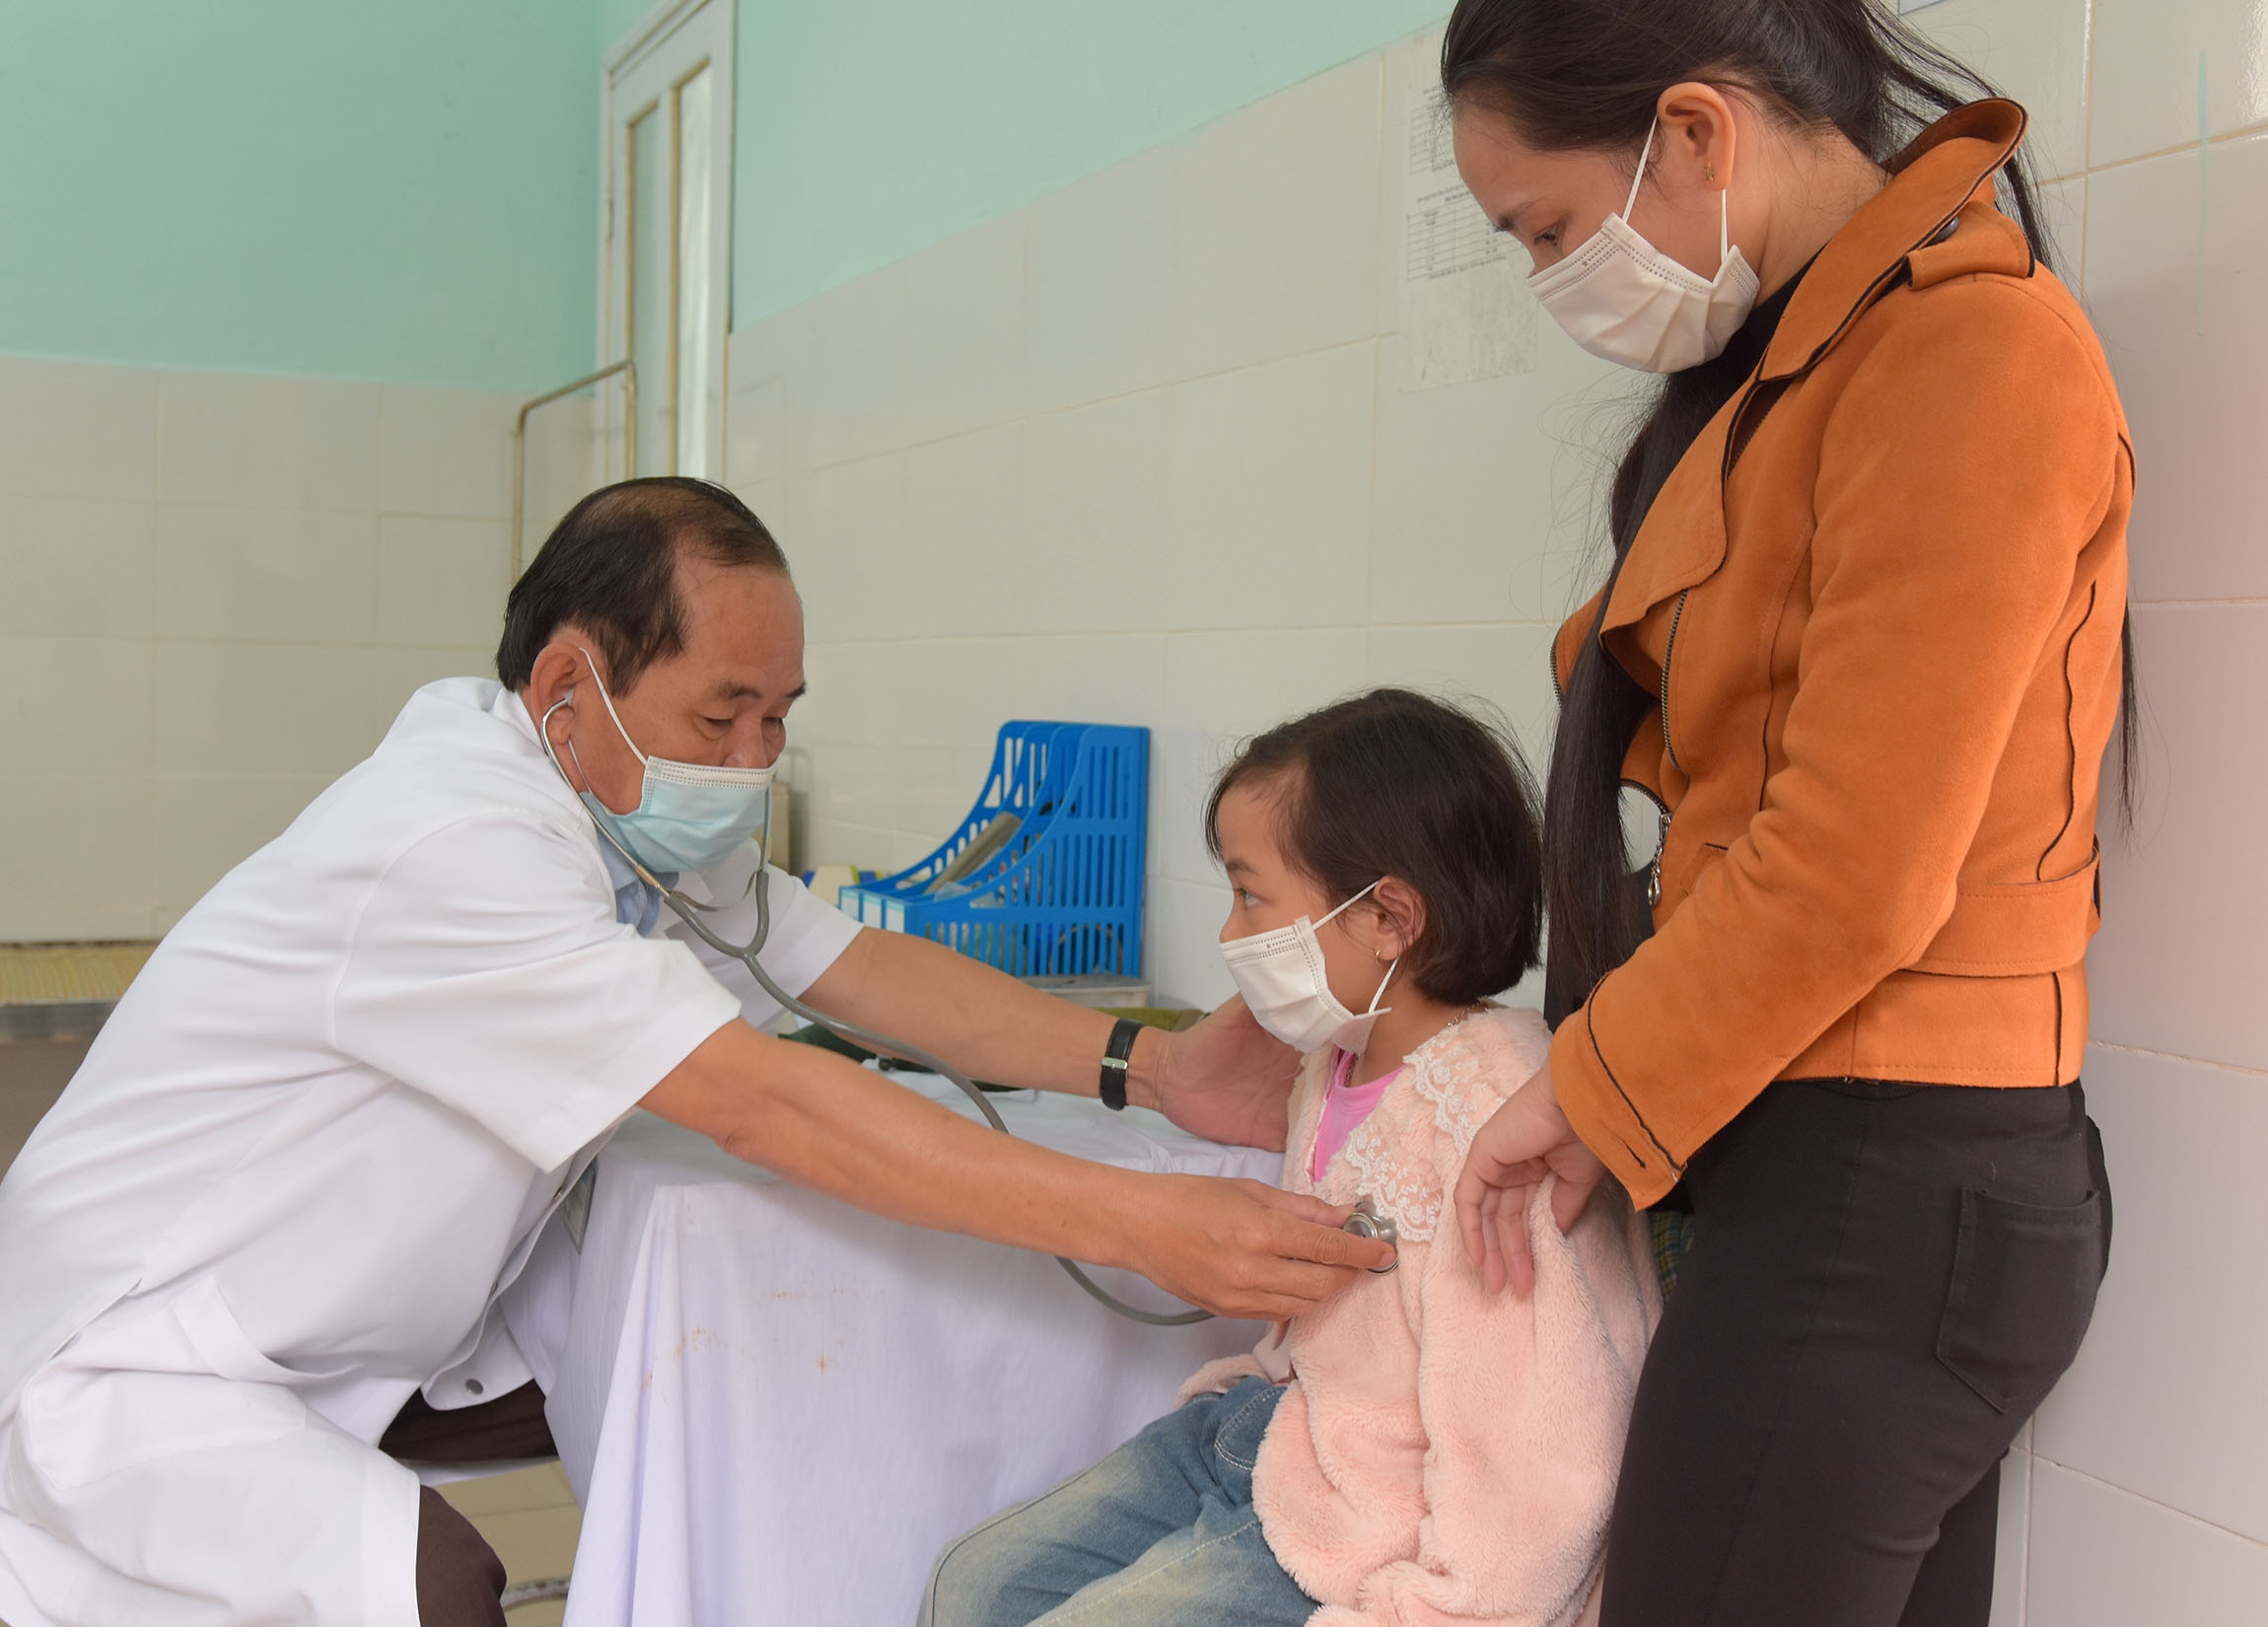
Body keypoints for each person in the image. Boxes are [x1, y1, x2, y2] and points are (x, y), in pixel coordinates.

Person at [0, 478, 1391, 1627]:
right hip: (131, 1355)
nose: (751, 759)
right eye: (720, 717)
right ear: (568, 686)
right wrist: (1143, 1220)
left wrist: (1150, 1070)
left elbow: (852, 966)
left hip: (342, 1317)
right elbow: (762, 1104)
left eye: (777, 717)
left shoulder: (609, 818)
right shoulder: (455, 847)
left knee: (692, 1394)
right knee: (434, 1590)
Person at [1436, 3, 2128, 1624]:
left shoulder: (1968, 351)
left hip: (1887, 1183)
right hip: (1850, 1172)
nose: (1549, 280)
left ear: (1693, 133)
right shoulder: (1816, 367)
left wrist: (1588, 1086)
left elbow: (1852, 867)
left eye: (1547, 228)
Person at [925, 690, 1662, 1627]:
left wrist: (1437, 1610)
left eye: (1250, 896)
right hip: (1275, 1432)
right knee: (971, 1587)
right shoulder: (1335, 1059)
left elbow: (1547, 1448)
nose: (1230, 936)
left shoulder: (1496, 1116)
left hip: (1380, 1518)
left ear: (1389, 918)